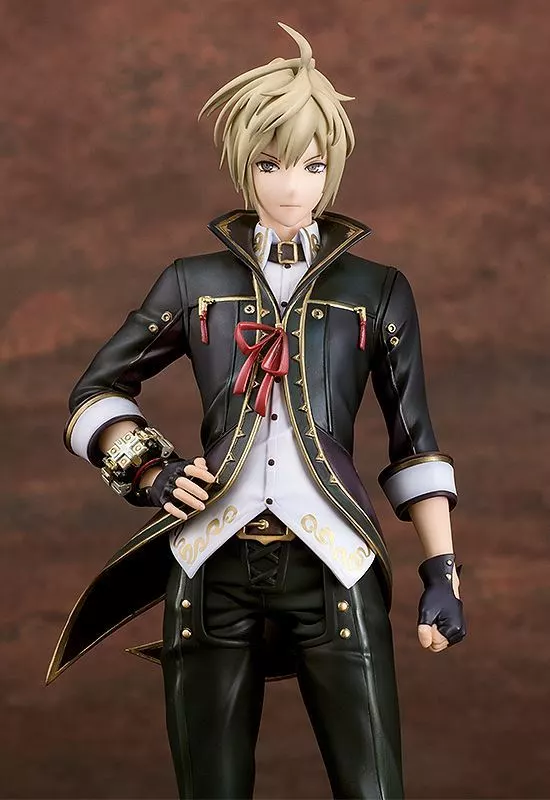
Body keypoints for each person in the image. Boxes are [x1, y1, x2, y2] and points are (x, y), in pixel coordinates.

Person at [46, 22, 466, 799]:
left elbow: (415, 442)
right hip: (211, 568)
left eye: (311, 164)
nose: (290, 185)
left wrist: (441, 571)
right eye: (270, 163)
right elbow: (95, 392)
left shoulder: (376, 291)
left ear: (332, 167)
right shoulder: (193, 282)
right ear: (244, 166)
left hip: (334, 565)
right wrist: (150, 470)